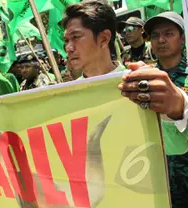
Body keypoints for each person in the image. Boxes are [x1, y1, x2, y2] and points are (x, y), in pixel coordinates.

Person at [63, 2, 188, 206]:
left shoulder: (139, 86)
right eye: (66, 40)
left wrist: (177, 108)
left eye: (76, 37)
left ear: (104, 38)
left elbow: (175, 146)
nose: (68, 47)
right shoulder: (64, 97)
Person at [123, 12, 188, 208]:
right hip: (159, 179)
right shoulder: (141, 79)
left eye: (169, 34)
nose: (161, 40)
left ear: (182, 38)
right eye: (155, 35)